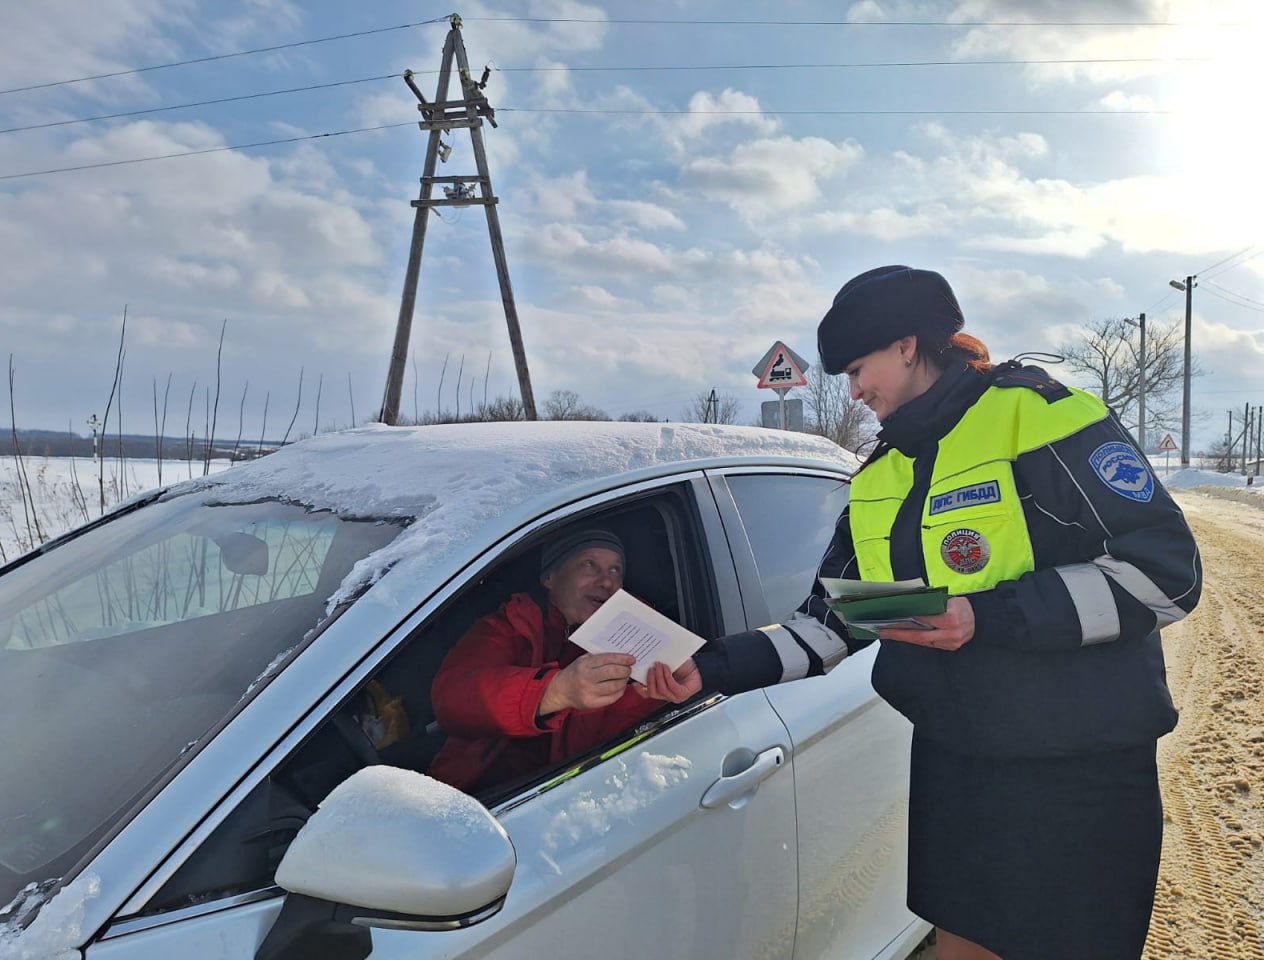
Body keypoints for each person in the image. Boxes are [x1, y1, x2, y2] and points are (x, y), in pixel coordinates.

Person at [647, 265, 1202, 960]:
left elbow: (1167, 575)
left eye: (857, 368)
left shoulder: (1042, 415)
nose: (853, 391)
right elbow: (836, 618)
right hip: (958, 760)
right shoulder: (881, 473)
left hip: (1076, 764)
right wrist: (710, 667)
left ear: (907, 345)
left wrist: (988, 616)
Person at [429, 526, 669, 793]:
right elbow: (452, 700)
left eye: (616, 570)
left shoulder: (638, 635)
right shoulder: (512, 623)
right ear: (550, 577)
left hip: (572, 794)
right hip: (479, 794)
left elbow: (635, 733)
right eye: (590, 564)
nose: (607, 581)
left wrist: (654, 690)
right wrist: (554, 691)